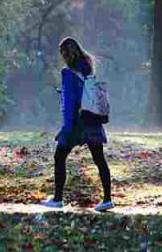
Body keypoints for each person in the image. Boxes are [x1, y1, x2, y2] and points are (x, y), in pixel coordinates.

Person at [40, 36, 113, 212]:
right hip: (92, 118)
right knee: (99, 159)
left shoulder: (67, 73)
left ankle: (57, 199)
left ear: (65, 54)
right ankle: (107, 199)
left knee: (59, 157)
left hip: (77, 122)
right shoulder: (87, 68)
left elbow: (70, 103)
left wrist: (67, 127)